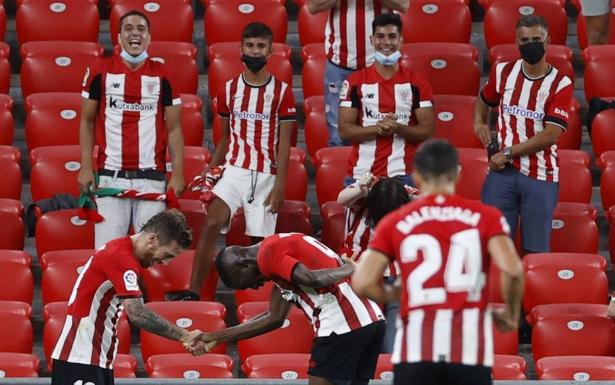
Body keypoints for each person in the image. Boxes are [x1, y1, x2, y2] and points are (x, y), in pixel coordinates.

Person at [351, 140, 525, 385]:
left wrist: (397, 294)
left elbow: (363, 281)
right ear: (456, 174)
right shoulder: (485, 216)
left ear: (417, 177)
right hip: (468, 351)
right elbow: (513, 269)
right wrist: (511, 314)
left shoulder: (396, 221)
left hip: (415, 350)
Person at [170, 23, 295, 301]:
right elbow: (225, 137)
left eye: (261, 46)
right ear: (241, 48)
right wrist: (211, 170)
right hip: (234, 169)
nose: (255, 51)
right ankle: (194, 292)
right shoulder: (228, 89)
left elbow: (284, 144)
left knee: (258, 245)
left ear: (270, 50)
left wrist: (280, 186)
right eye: (250, 46)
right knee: (212, 223)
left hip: (266, 173)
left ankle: (261, 301)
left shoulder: (282, 92)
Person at [199, 233, 386, 385]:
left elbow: (313, 279)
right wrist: (214, 337)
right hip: (371, 321)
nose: (253, 288)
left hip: (343, 325)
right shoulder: (277, 250)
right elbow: (273, 317)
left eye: (245, 284)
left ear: (243, 265)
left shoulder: (267, 255)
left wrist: (353, 269)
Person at [50, 210, 204, 385]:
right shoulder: (120, 258)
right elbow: (137, 313)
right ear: (153, 239)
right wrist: (184, 336)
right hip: (80, 360)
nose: (166, 263)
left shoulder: (121, 251)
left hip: (93, 360)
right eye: (167, 255)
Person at [77, 10, 185, 250]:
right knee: (107, 255)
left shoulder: (163, 75)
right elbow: (86, 121)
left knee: (153, 256)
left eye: (141, 29)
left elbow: (175, 128)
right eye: (128, 28)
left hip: (152, 179)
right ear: (118, 36)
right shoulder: (99, 71)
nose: (135, 33)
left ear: (149, 38)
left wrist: (177, 172)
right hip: (111, 177)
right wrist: (86, 167)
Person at [474, 15, 572, 255]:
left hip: (540, 175)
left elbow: (551, 135)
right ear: (516, 43)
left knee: (535, 251)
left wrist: (507, 152)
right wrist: (479, 122)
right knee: (493, 246)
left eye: (537, 39)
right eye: (525, 40)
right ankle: (498, 294)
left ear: (548, 42)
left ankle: (530, 294)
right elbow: (484, 99)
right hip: (502, 175)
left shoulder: (561, 83)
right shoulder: (503, 72)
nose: (531, 44)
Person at [339, 12, 434, 186]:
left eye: (392, 36)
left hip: (404, 174)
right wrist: (378, 128)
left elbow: (427, 131)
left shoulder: (417, 82)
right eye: (380, 36)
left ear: (401, 41)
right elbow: (344, 131)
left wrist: (398, 128)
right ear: (372, 40)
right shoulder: (354, 82)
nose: (386, 43)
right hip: (362, 173)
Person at [307, 0, 410, 147]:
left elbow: (403, 5)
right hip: (340, 63)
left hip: (380, 63)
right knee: (339, 135)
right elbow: (313, 6)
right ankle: (342, 169)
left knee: (384, 130)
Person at [337, 175, 413, 353]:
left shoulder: (404, 199)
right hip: (358, 276)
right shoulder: (360, 198)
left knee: (393, 347)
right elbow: (341, 199)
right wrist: (361, 188)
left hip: (394, 278)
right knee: (361, 342)